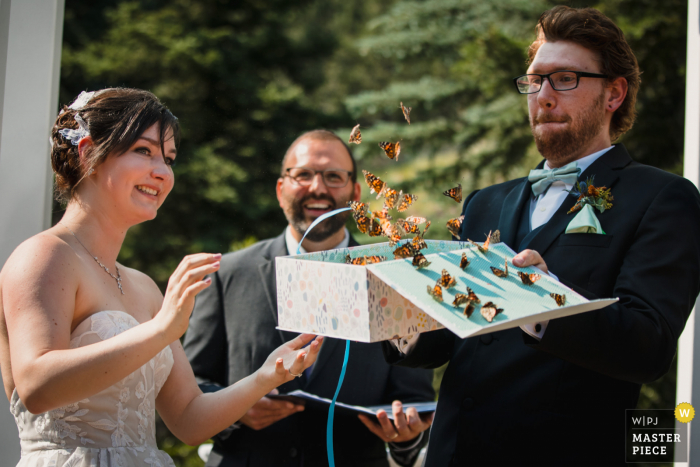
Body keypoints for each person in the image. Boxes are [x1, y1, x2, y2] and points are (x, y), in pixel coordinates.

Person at [383, 6, 700, 466]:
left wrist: (546, 304)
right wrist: (398, 315)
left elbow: (647, 346)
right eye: (534, 81)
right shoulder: (484, 203)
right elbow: (449, 340)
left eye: (565, 79)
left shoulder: (662, 197)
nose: (543, 96)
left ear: (614, 93)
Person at [0, 88, 323, 467]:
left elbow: (188, 418)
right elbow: (37, 386)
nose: (163, 172)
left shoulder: (143, 287)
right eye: (144, 151)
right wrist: (163, 329)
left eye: (168, 158)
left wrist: (266, 376)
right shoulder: (45, 255)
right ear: (88, 153)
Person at [183, 130, 435, 467]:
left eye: (333, 177)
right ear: (280, 188)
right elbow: (191, 384)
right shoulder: (227, 273)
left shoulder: (396, 276)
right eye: (303, 175)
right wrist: (235, 411)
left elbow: (414, 397)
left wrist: (407, 437)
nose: (318, 188)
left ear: (355, 192)